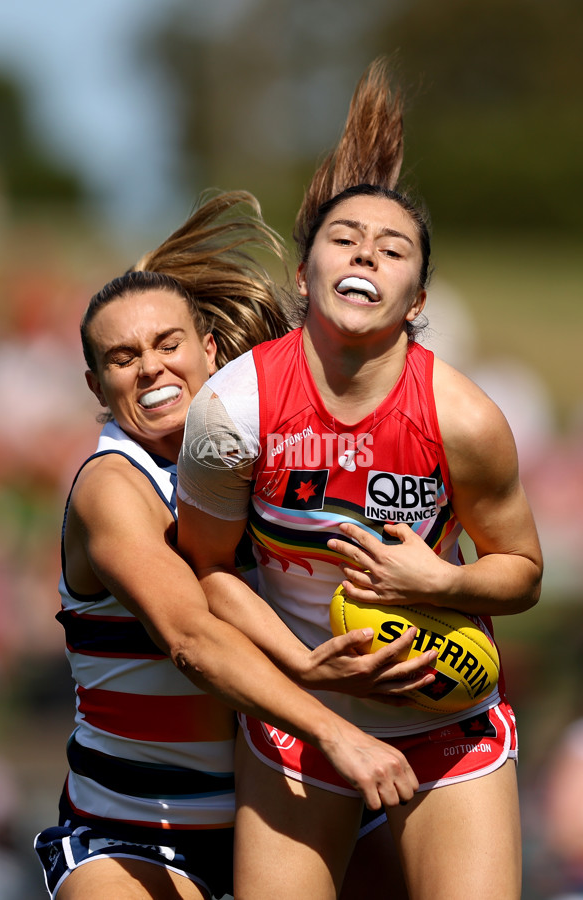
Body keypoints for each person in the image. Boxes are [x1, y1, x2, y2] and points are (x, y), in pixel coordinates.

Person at [176, 59, 544, 900]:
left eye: (392, 248)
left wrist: (442, 578)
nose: (365, 255)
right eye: (344, 240)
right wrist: (304, 676)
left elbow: (522, 573)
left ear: (417, 300)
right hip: (298, 726)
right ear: (306, 274)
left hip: (446, 724)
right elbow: (209, 573)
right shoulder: (234, 411)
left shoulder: (466, 418)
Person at [34, 190, 439, 900]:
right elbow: (191, 636)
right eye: (123, 358)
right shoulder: (112, 486)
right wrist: (334, 727)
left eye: (168, 345)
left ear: (210, 350)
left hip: (286, 818)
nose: (151, 369)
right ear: (97, 385)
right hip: (133, 836)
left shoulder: (255, 456)